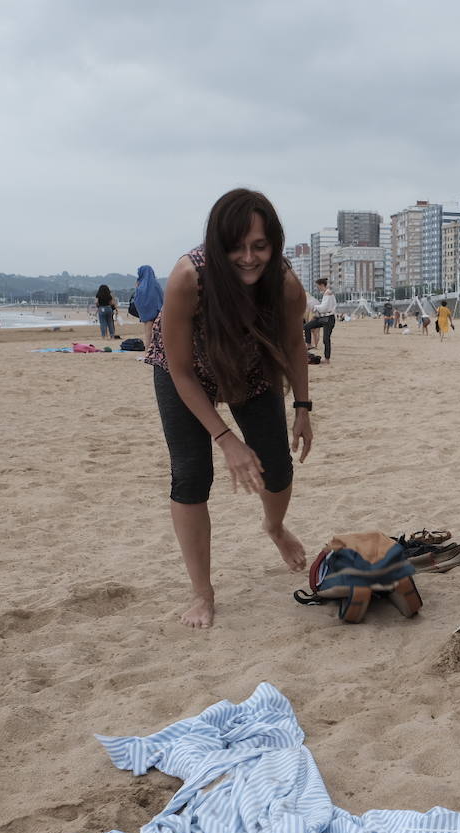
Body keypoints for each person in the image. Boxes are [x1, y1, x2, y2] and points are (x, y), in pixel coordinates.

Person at [143, 188, 313, 628]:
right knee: (192, 474)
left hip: (250, 366)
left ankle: (274, 527)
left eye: (260, 246)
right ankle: (203, 593)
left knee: (276, 464)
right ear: (217, 245)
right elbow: (180, 371)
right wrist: (226, 440)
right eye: (236, 247)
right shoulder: (189, 278)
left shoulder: (287, 284)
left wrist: (303, 407)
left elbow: (295, 345)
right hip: (188, 371)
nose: (248, 258)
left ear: (274, 245)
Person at [303, 278, 336, 362]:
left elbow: (324, 308)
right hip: (323, 317)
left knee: (326, 339)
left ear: (322, 285)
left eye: (318, 286)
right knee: (307, 326)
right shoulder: (326, 293)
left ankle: (327, 358)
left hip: (329, 319)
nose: (318, 288)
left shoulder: (328, 293)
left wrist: (315, 307)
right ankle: (309, 344)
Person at [133, 265, 164, 348]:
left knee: (148, 334)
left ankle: (148, 352)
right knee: (158, 334)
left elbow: (137, 300)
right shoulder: (156, 284)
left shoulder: (140, 285)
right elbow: (161, 298)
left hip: (146, 314)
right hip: (157, 312)